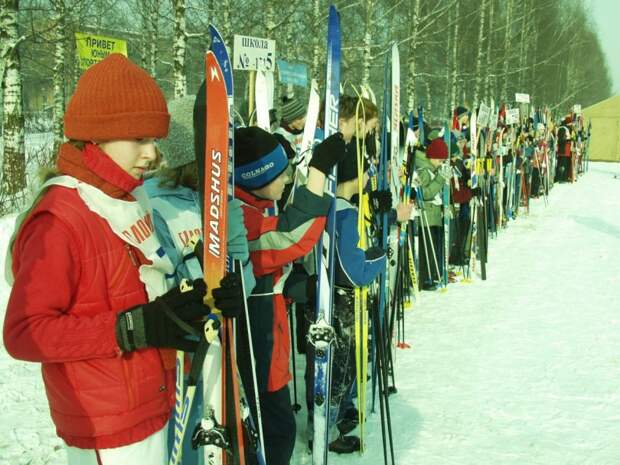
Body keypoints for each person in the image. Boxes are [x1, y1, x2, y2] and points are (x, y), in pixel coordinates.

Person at [2, 54, 242, 465]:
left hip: (154, 404)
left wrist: (203, 295)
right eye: (139, 139)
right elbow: (25, 332)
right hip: (107, 428)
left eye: (155, 138)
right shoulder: (61, 217)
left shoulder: (126, 196)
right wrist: (132, 328)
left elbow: (148, 294)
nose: (153, 154)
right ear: (99, 136)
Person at [144, 91, 255, 465]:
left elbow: (245, 280)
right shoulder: (153, 205)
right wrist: (201, 275)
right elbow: (160, 288)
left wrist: (232, 234)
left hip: (221, 353)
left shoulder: (215, 199)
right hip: (180, 365)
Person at [415, 137, 452, 290]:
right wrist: (440, 179)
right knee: (426, 250)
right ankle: (425, 278)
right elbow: (424, 193)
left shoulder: (432, 169)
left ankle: (433, 275)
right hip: (426, 216)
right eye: (439, 160)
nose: (440, 163)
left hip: (434, 214)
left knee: (433, 248)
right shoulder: (424, 170)